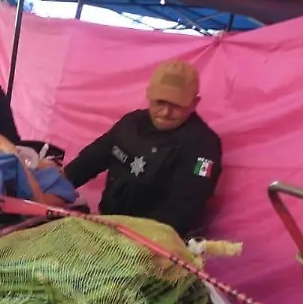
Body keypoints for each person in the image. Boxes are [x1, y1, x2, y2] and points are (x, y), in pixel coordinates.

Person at [63, 59, 221, 236]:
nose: (165, 112)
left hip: (158, 241)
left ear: (194, 103)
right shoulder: (131, 124)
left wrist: (135, 237)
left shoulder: (204, 146)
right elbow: (89, 161)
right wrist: (55, 187)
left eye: (176, 105)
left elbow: (185, 207)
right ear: (149, 95)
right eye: (160, 102)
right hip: (109, 225)